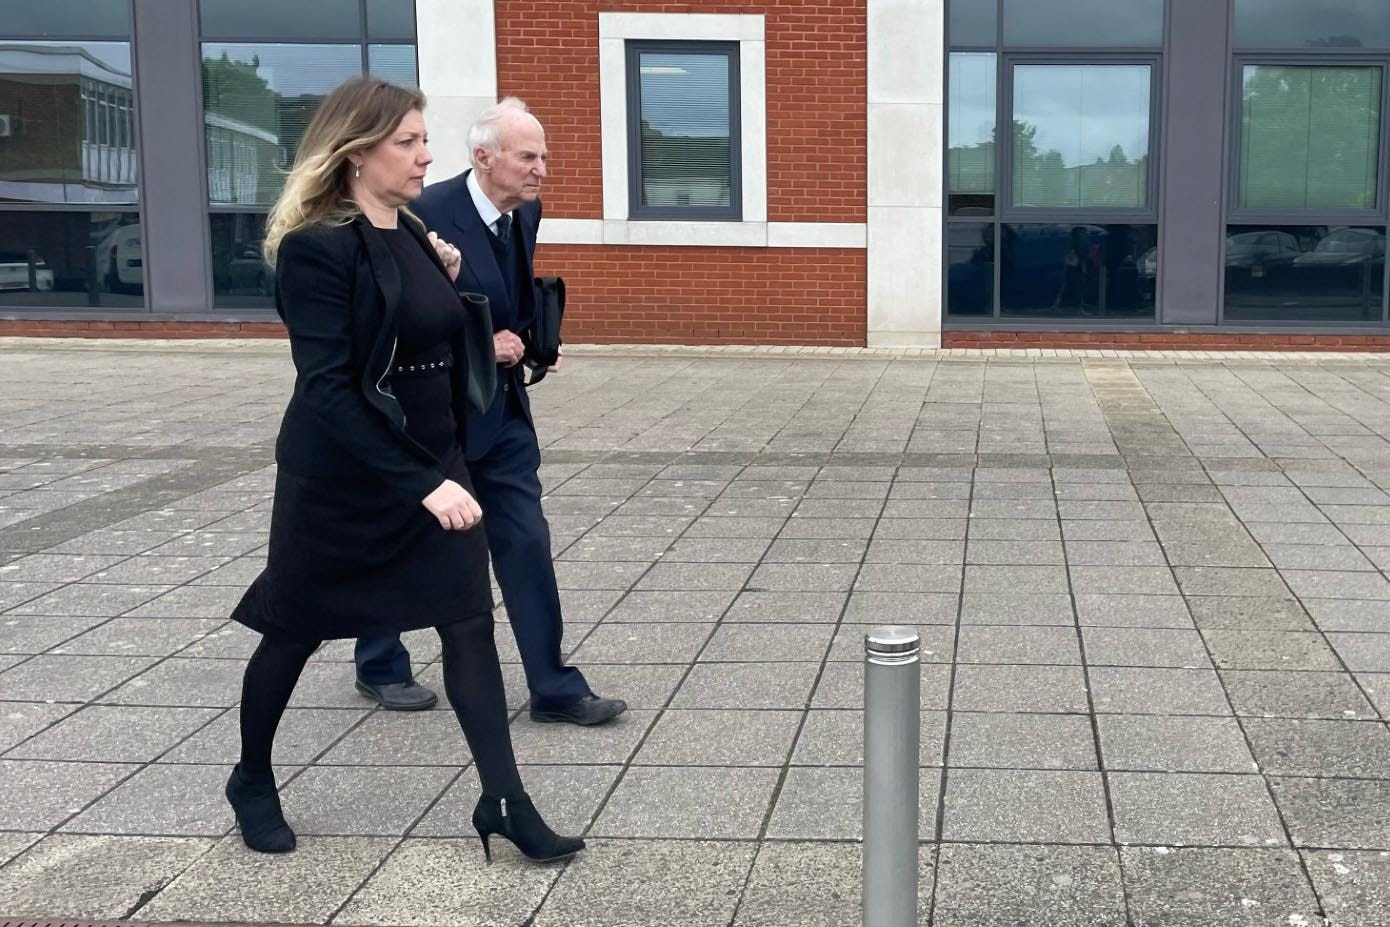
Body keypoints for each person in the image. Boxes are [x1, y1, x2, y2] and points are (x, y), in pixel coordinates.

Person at [223, 77, 582, 865]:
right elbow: (327, 390)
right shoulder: (316, 249)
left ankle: (505, 799)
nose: (426, 156)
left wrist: (451, 291)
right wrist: (422, 481)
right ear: (356, 154)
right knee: (292, 634)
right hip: (343, 481)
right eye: (408, 143)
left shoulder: (418, 235)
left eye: (425, 140)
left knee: (467, 627)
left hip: (434, 458)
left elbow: (429, 343)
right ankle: (251, 777)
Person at [356, 98, 626, 727]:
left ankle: (554, 688)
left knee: (525, 540)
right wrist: (482, 343)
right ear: (484, 157)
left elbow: (501, 294)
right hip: (434, 418)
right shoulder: (420, 214)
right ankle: (378, 661)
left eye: (544, 157)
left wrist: (529, 341)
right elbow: (396, 319)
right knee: (405, 538)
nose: (542, 171)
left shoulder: (524, 211)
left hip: (500, 411)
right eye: (528, 157)